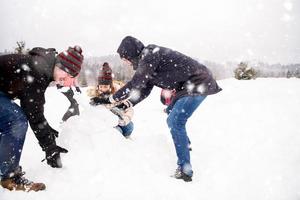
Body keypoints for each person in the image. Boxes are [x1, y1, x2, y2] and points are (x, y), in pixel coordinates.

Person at [91, 36, 222, 182]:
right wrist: (126, 104)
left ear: (130, 53)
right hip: (187, 86)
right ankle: (185, 143)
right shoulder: (147, 63)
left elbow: (135, 83)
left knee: (176, 121)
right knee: (172, 112)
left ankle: (185, 169)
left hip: (198, 82)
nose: (126, 63)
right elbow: (143, 91)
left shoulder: (150, 54)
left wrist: (110, 99)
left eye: (125, 58)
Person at [0, 46, 84, 191]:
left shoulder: (43, 65)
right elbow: (33, 113)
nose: (67, 82)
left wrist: (46, 129)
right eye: (68, 77)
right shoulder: (37, 70)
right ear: (61, 67)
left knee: (8, 121)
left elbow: (35, 106)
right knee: (15, 121)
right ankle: (9, 178)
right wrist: (50, 147)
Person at [90, 62, 134, 138]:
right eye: (101, 87)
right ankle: (115, 141)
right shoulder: (95, 98)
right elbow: (91, 114)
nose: (103, 89)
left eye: (105, 87)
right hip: (106, 125)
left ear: (110, 87)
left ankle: (126, 139)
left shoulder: (117, 95)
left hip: (119, 121)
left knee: (130, 126)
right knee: (117, 131)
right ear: (98, 87)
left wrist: (124, 119)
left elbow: (130, 109)